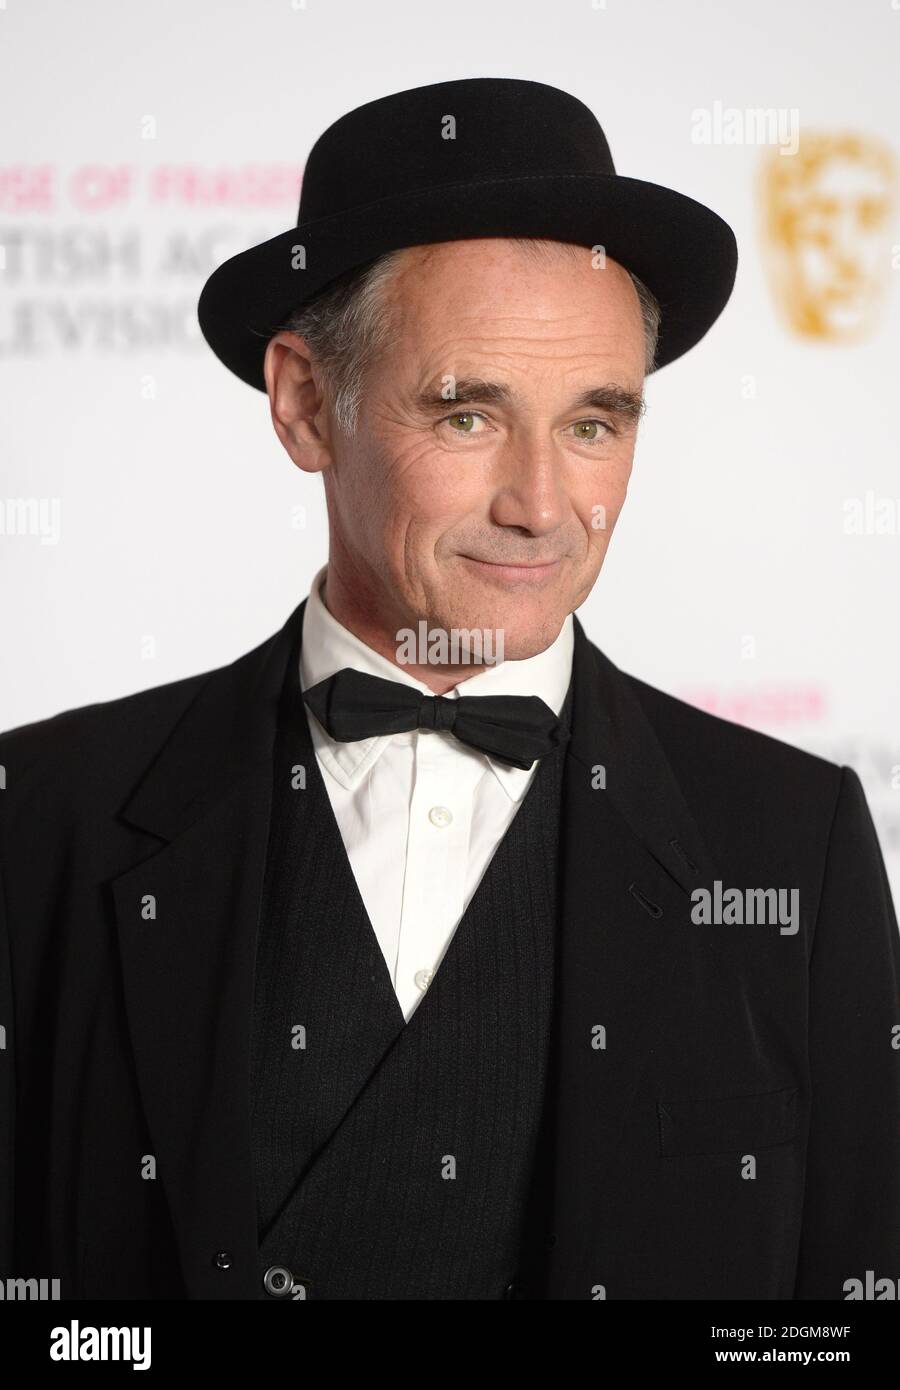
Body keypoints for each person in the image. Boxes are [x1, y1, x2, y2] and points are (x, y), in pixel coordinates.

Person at [1, 77, 897, 1301]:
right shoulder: (40, 820)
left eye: (595, 424)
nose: (540, 504)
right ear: (308, 402)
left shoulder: (796, 845)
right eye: (469, 414)